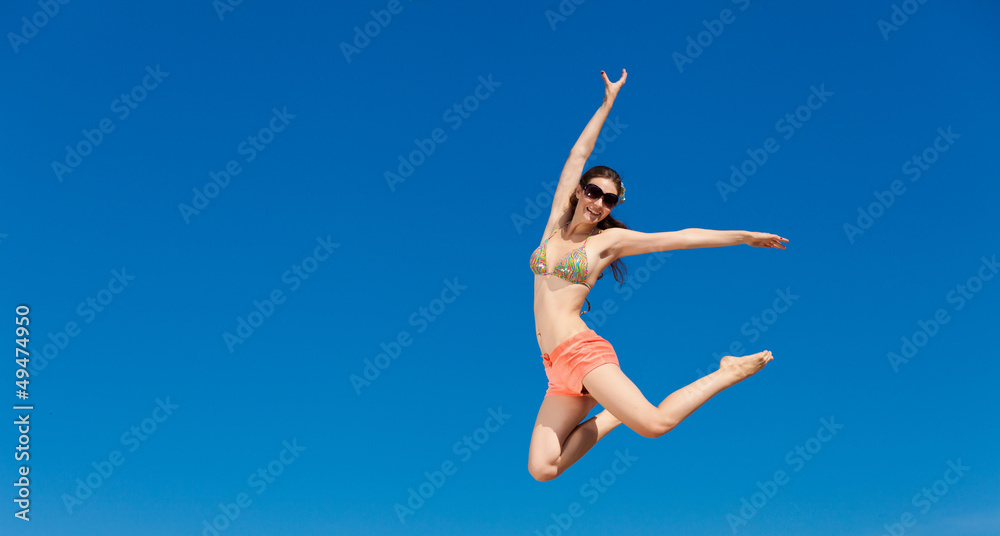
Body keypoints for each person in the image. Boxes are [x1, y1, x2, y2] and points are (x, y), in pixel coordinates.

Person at [527, 69, 788, 482]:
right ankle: (613, 411)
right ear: (580, 191)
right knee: (543, 469)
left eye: (608, 200)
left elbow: (680, 238)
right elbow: (578, 155)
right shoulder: (552, 229)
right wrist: (607, 103)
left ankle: (727, 371)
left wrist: (743, 236)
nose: (598, 203)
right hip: (553, 365)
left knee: (653, 424)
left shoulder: (604, 243)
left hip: (582, 352)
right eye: (593, 192)